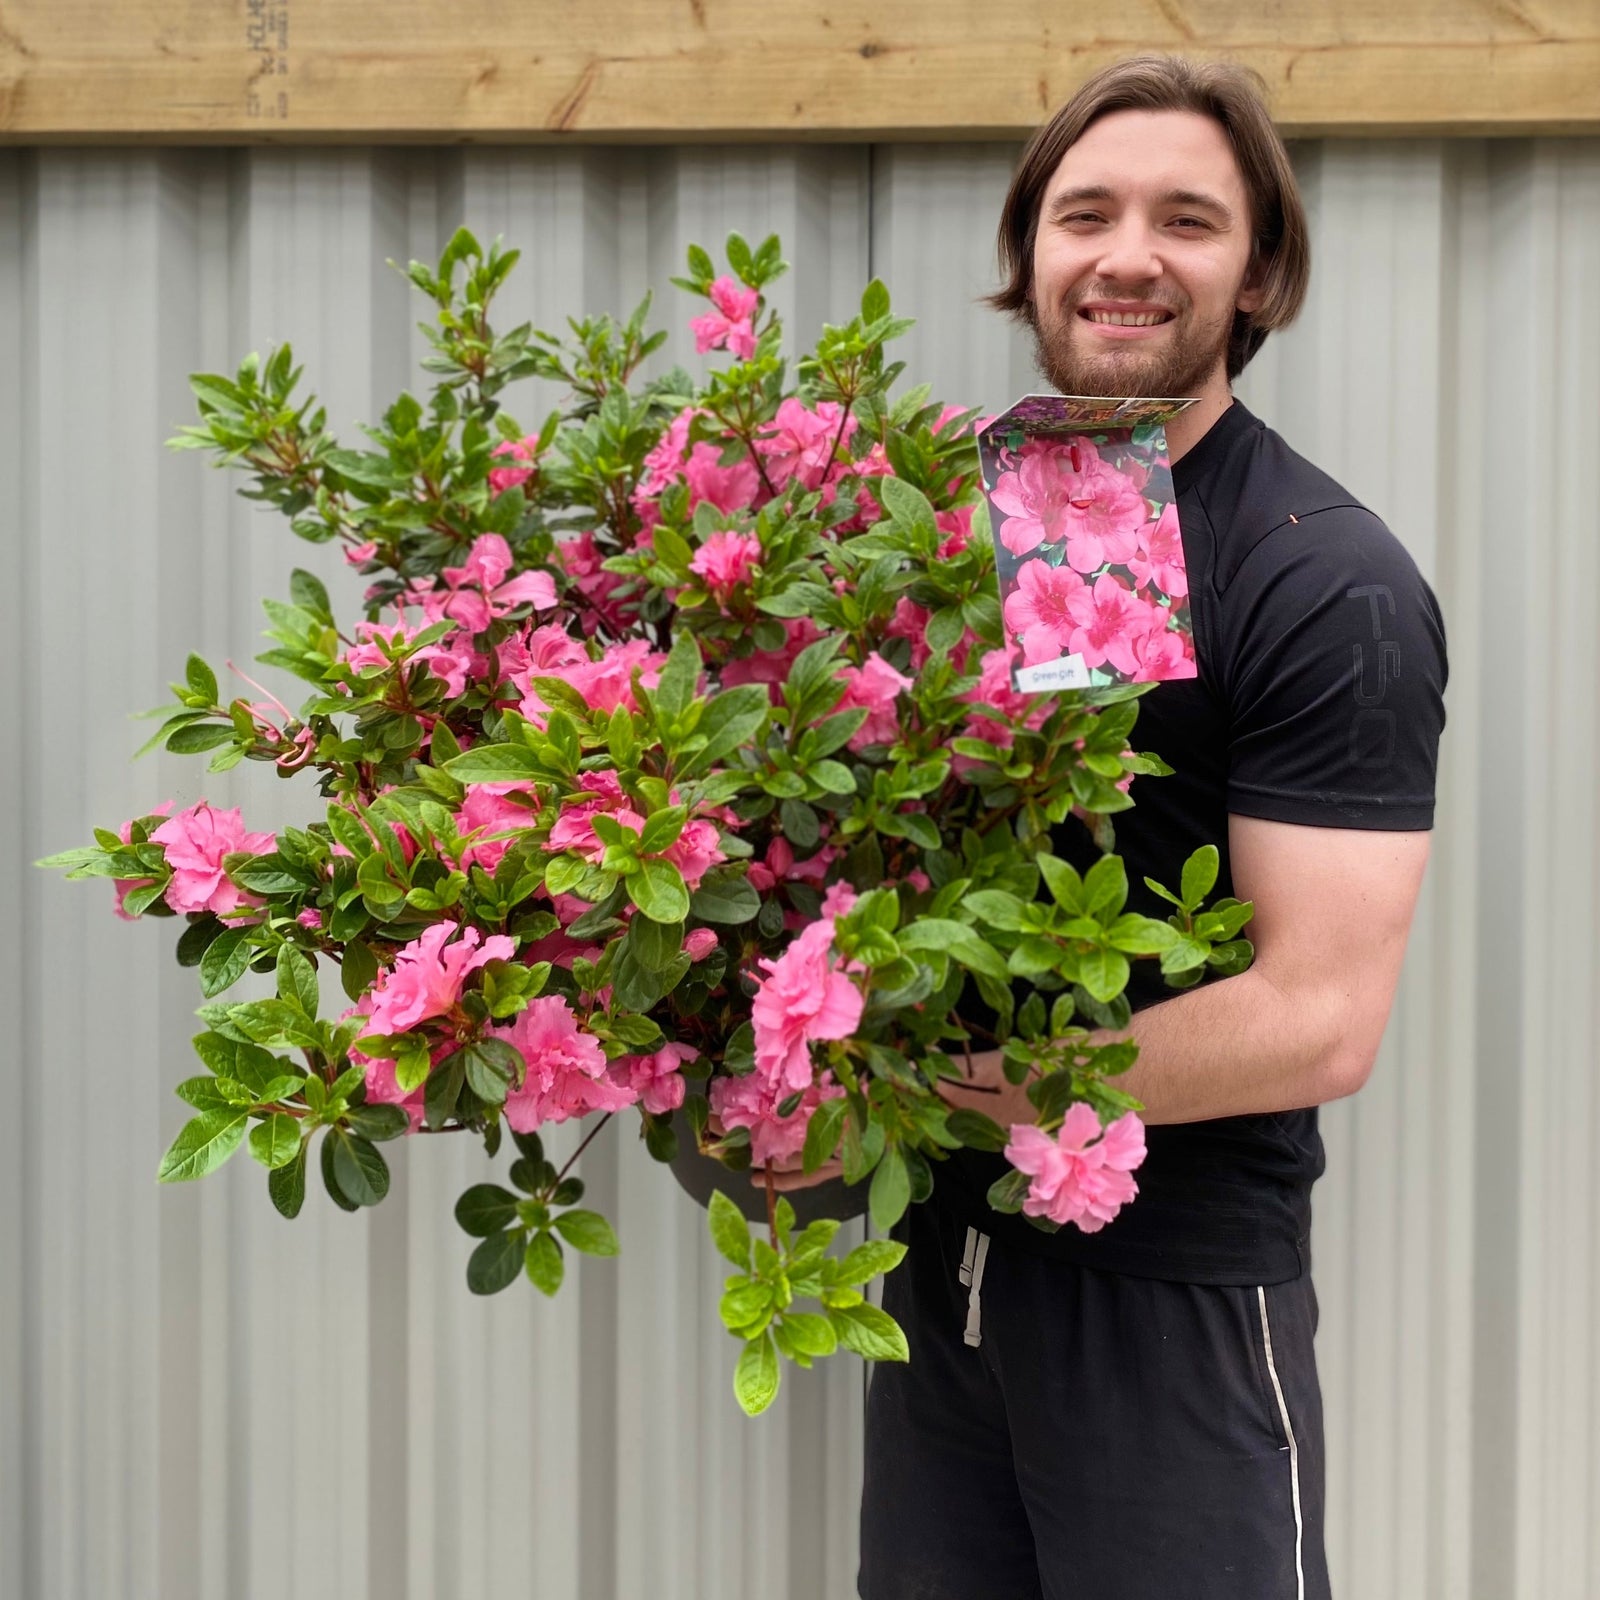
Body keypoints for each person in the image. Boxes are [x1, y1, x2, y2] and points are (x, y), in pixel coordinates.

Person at [760, 52, 1449, 1599]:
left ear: (1259, 268)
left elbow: (1319, 1017)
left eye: (1187, 219)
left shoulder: (1324, 580)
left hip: (1172, 1304)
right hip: (948, 1287)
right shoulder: (1007, 520)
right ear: (1031, 255)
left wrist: (924, 1095)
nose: (1127, 254)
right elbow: (970, 862)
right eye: (1086, 213)